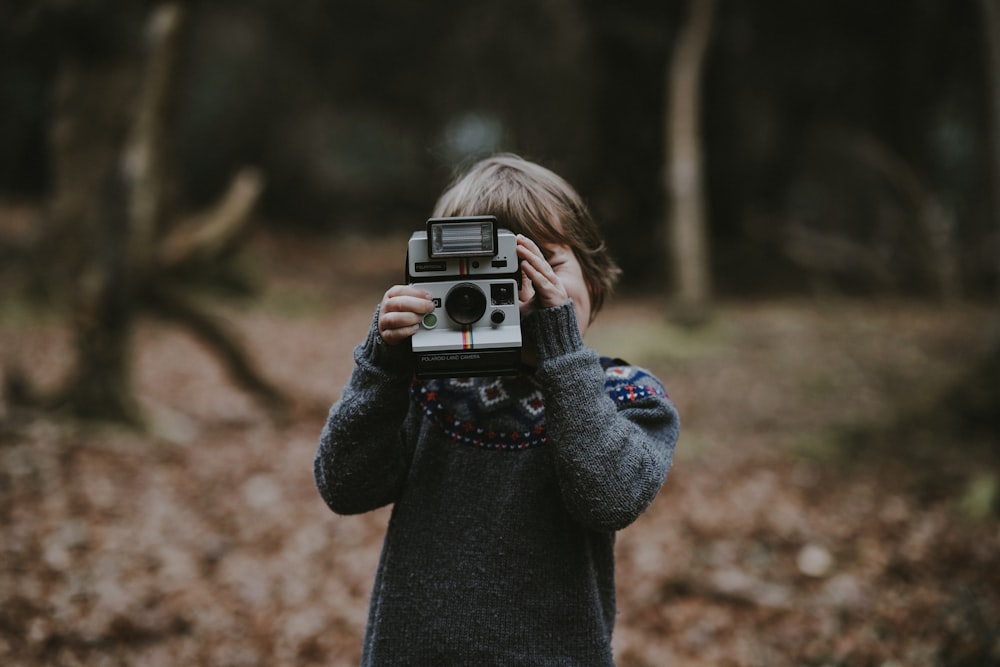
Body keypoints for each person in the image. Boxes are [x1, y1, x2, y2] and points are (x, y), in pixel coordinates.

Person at [314, 154, 679, 665]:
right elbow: (345, 486)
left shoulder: (626, 394)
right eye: (492, 273)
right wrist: (384, 364)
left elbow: (610, 498)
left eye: (542, 265)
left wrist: (561, 353)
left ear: (593, 277)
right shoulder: (426, 386)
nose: (520, 293)